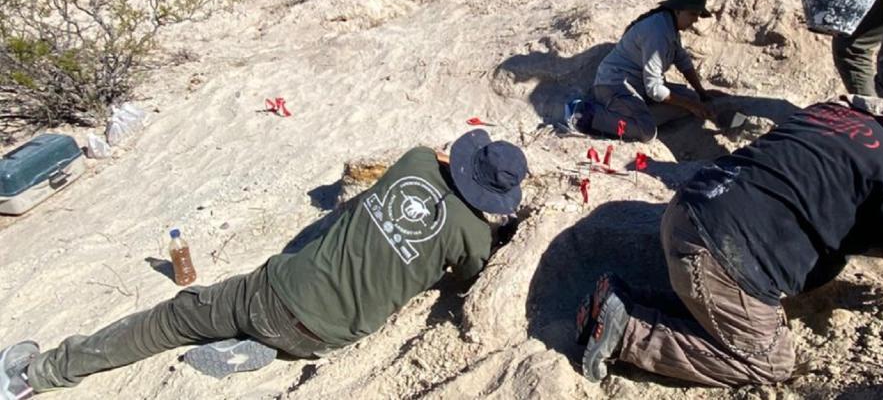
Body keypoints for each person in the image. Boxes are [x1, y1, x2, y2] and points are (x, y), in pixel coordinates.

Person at [0, 130, 527, 399]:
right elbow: (467, 277)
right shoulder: (473, 235)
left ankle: (37, 374)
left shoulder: (413, 161)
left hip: (272, 294)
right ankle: (264, 346)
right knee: (276, 312)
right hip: (327, 337)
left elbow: (433, 154)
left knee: (168, 320)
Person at [574, 91, 883, 387]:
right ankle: (627, 330)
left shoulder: (829, 114)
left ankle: (625, 300)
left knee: (726, 308)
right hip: (722, 256)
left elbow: (811, 195)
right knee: (770, 362)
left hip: (689, 211)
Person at [567, 0, 722, 143]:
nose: (696, 19)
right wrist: (691, 106)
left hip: (638, 87)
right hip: (614, 86)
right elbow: (654, 88)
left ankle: (629, 116)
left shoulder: (669, 25)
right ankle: (585, 114)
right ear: (677, 10)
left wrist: (701, 94)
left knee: (692, 98)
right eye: (693, 14)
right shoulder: (657, 31)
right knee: (646, 132)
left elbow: (683, 61)